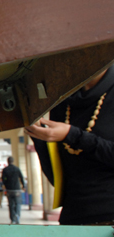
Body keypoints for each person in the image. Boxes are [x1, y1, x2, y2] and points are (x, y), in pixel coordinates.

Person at [25, 66, 114, 225]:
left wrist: (73, 135)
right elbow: (59, 174)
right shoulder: (63, 98)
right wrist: (38, 135)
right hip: (73, 216)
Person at [1, 156, 25, 224]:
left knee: (11, 205)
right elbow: (21, 177)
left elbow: (3, 179)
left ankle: (12, 219)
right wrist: (23, 186)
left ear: (7, 161)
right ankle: (17, 217)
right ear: (13, 161)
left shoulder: (5, 170)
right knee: (18, 204)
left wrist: (6, 185)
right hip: (17, 189)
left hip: (9, 190)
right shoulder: (17, 169)